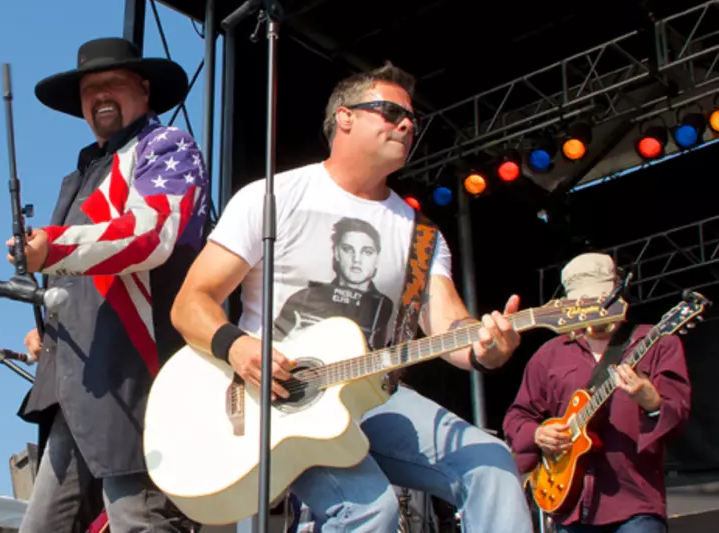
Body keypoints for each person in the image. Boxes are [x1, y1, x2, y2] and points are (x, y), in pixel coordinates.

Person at [169, 61, 534, 532]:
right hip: (275, 398)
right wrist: (238, 347)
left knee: (492, 461)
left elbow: (450, 327)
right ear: (344, 117)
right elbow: (190, 303)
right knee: (368, 510)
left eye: (411, 120)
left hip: (373, 397)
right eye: (389, 111)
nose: (406, 124)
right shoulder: (273, 197)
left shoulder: (420, 234)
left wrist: (486, 347)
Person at [8, 37, 210, 533]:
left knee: (137, 519)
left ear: (143, 90)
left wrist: (51, 246)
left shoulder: (167, 147)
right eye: (88, 90)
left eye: (112, 85)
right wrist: (50, 330)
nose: (99, 97)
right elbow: (80, 283)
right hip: (75, 381)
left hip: (137, 376)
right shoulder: (79, 174)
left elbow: (150, 234)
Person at [503, 253, 692, 533]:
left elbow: (678, 413)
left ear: (618, 294)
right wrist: (537, 434)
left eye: (600, 300)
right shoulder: (548, 356)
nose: (594, 311)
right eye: (583, 304)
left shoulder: (657, 342)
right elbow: (517, 416)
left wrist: (650, 401)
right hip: (571, 506)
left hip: (635, 503)